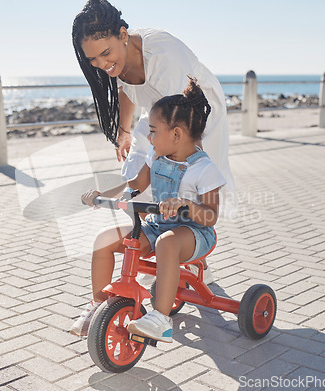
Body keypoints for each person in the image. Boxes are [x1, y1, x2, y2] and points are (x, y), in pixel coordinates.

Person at [70, 78, 225, 341]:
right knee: (103, 240)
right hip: (158, 227)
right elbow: (135, 184)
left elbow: (210, 217)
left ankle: (160, 319)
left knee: (167, 243)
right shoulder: (155, 157)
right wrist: (101, 195)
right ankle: (97, 307)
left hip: (195, 234)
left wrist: (185, 205)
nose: (148, 138)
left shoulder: (204, 169)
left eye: (153, 131)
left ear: (176, 134)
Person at [72, 0, 236, 220]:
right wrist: (124, 132)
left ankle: (193, 247)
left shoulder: (164, 56)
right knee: (138, 185)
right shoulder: (116, 59)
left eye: (105, 53)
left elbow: (185, 119)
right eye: (92, 59)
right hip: (157, 113)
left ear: (122, 35)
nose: (101, 64)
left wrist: (180, 166)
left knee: (189, 188)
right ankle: (150, 239)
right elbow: (126, 88)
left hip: (195, 111)